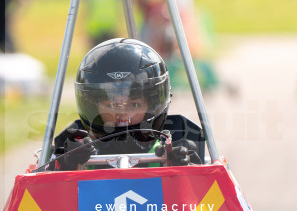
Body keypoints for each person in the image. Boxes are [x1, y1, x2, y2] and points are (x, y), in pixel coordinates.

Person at [49, 38, 204, 171]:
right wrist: (67, 163)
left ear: (152, 105)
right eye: (111, 105)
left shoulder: (175, 145)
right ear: (93, 107)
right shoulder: (77, 149)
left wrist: (183, 166)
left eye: (134, 105)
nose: (122, 115)